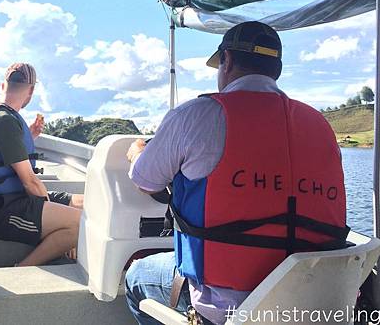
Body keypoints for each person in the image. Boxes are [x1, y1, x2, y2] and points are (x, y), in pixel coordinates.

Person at [124, 21, 349, 324]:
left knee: (137, 277)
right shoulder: (321, 127)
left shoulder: (198, 114)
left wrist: (138, 151)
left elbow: (144, 180)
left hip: (229, 307)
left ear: (227, 61)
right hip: (314, 304)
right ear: (276, 69)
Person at [0, 62, 83, 266]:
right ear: (31, 91)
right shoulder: (4, 120)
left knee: (88, 203)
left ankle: (66, 236)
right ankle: (22, 268)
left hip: (12, 198)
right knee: (80, 223)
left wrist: (29, 136)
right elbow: (30, 182)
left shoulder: (1, 116)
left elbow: (3, 155)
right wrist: (61, 218)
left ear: (4, 85)